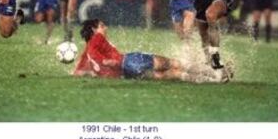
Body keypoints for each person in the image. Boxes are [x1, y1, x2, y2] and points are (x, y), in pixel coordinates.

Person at [73, 19, 232, 83]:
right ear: (94, 29)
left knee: (173, 74)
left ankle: (214, 81)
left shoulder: (88, 49)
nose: (105, 28)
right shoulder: (97, 38)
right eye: (102, 26)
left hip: (128, 74)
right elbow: (104, 60)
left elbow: (82, 68)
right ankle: (216, 73)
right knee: (175, 63)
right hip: (130, 60)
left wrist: (92, 71)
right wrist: (108, 62)